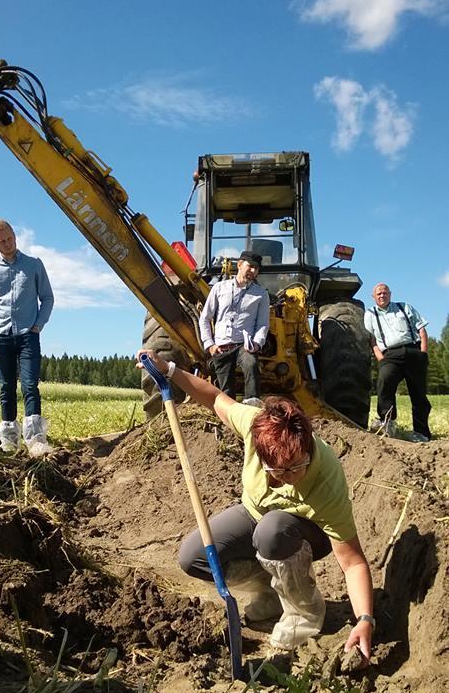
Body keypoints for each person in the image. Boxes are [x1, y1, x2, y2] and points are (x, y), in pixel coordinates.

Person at [137, 349, 375, 660]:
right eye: (274, 470)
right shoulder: (253, 426)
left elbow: (353, 563)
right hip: (255, 513)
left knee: (272, 531)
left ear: (306, 450)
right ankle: (272, 591)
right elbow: (214, 398)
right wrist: (169, 369)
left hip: (302, 532)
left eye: (293, 468)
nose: (283, 478)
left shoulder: (326, 480)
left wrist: (364, 620)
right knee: (192, 557)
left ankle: (303, 612)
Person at [0, 219, 54, 455]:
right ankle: (9, 441)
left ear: (15, 236)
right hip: (1, 337)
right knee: (6, 388)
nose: (8, 243)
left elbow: (48, 298)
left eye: (10, 238)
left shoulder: (33, 265)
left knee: (30, 385)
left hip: (28, 336)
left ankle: (36, 441)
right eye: (2, 241)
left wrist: (38, 326)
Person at [199, 250, 270, 403]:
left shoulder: (261, 295)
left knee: (251, 364)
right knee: (226, 392)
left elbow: (263, 323)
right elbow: (205, 318)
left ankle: (252, 404)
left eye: (256, 268)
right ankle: (228, 418)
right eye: (250, 266)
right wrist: (210, 345)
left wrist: (257, 343)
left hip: (243, 346)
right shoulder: (219, 288)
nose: (253, 271)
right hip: (221, 346)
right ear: (239, 265)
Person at [364, 283, 431, 443]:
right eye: (379, 293)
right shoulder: (370, 314)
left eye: (385, 293)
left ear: (390, 294)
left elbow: (421, 330)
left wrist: (423, 352)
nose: (382, 295)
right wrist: (381, 358)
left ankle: (421, 433)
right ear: (373, 297)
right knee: (384, 382)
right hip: (390, 355)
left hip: (413, 351)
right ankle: (387, 423)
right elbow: (371, 339)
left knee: (418, 393)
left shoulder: (404, 307)